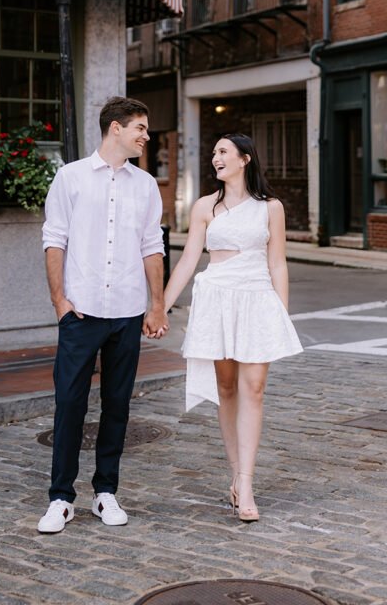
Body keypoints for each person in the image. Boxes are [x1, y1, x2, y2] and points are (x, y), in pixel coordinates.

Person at [37, 96, 169, 535]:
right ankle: (60, 498)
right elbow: (54, 239)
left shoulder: (146, 185)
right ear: (116, 128)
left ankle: (105, 491)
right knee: (69, 404)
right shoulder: (70, 177)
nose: (146, 136)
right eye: (140, 128)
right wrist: (60, 301)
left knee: (117, 405)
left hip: (128, 312)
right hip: (82, 311)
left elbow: (153, 247)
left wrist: (156, 304)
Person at [160, 133, 302, 522]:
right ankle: (236, 476)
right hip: (217, 300)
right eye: (214, 153)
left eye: (223, 152)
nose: (215, 158)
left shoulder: (271, 208)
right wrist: (160, 308)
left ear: (244, 159)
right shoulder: (205, 206)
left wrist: (280, 315)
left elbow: (278, 264)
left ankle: (247, 483)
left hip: (257, 300)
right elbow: (189, 260)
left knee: (253, 389)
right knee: (226, 388)